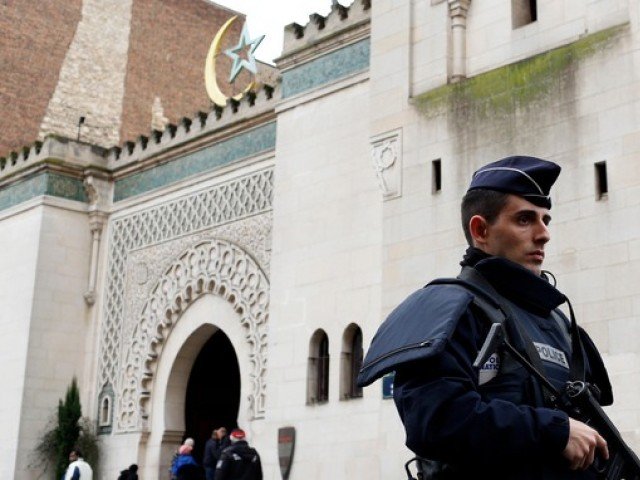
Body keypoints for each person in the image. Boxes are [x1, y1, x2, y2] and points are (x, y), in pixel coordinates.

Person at [357, 156, 613, 479]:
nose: (544, 233)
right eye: (525, 219)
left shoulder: (561, 326)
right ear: (480, 229)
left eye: (546, 219)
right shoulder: (451, 311)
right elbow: (437, 420)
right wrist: (553, 431)